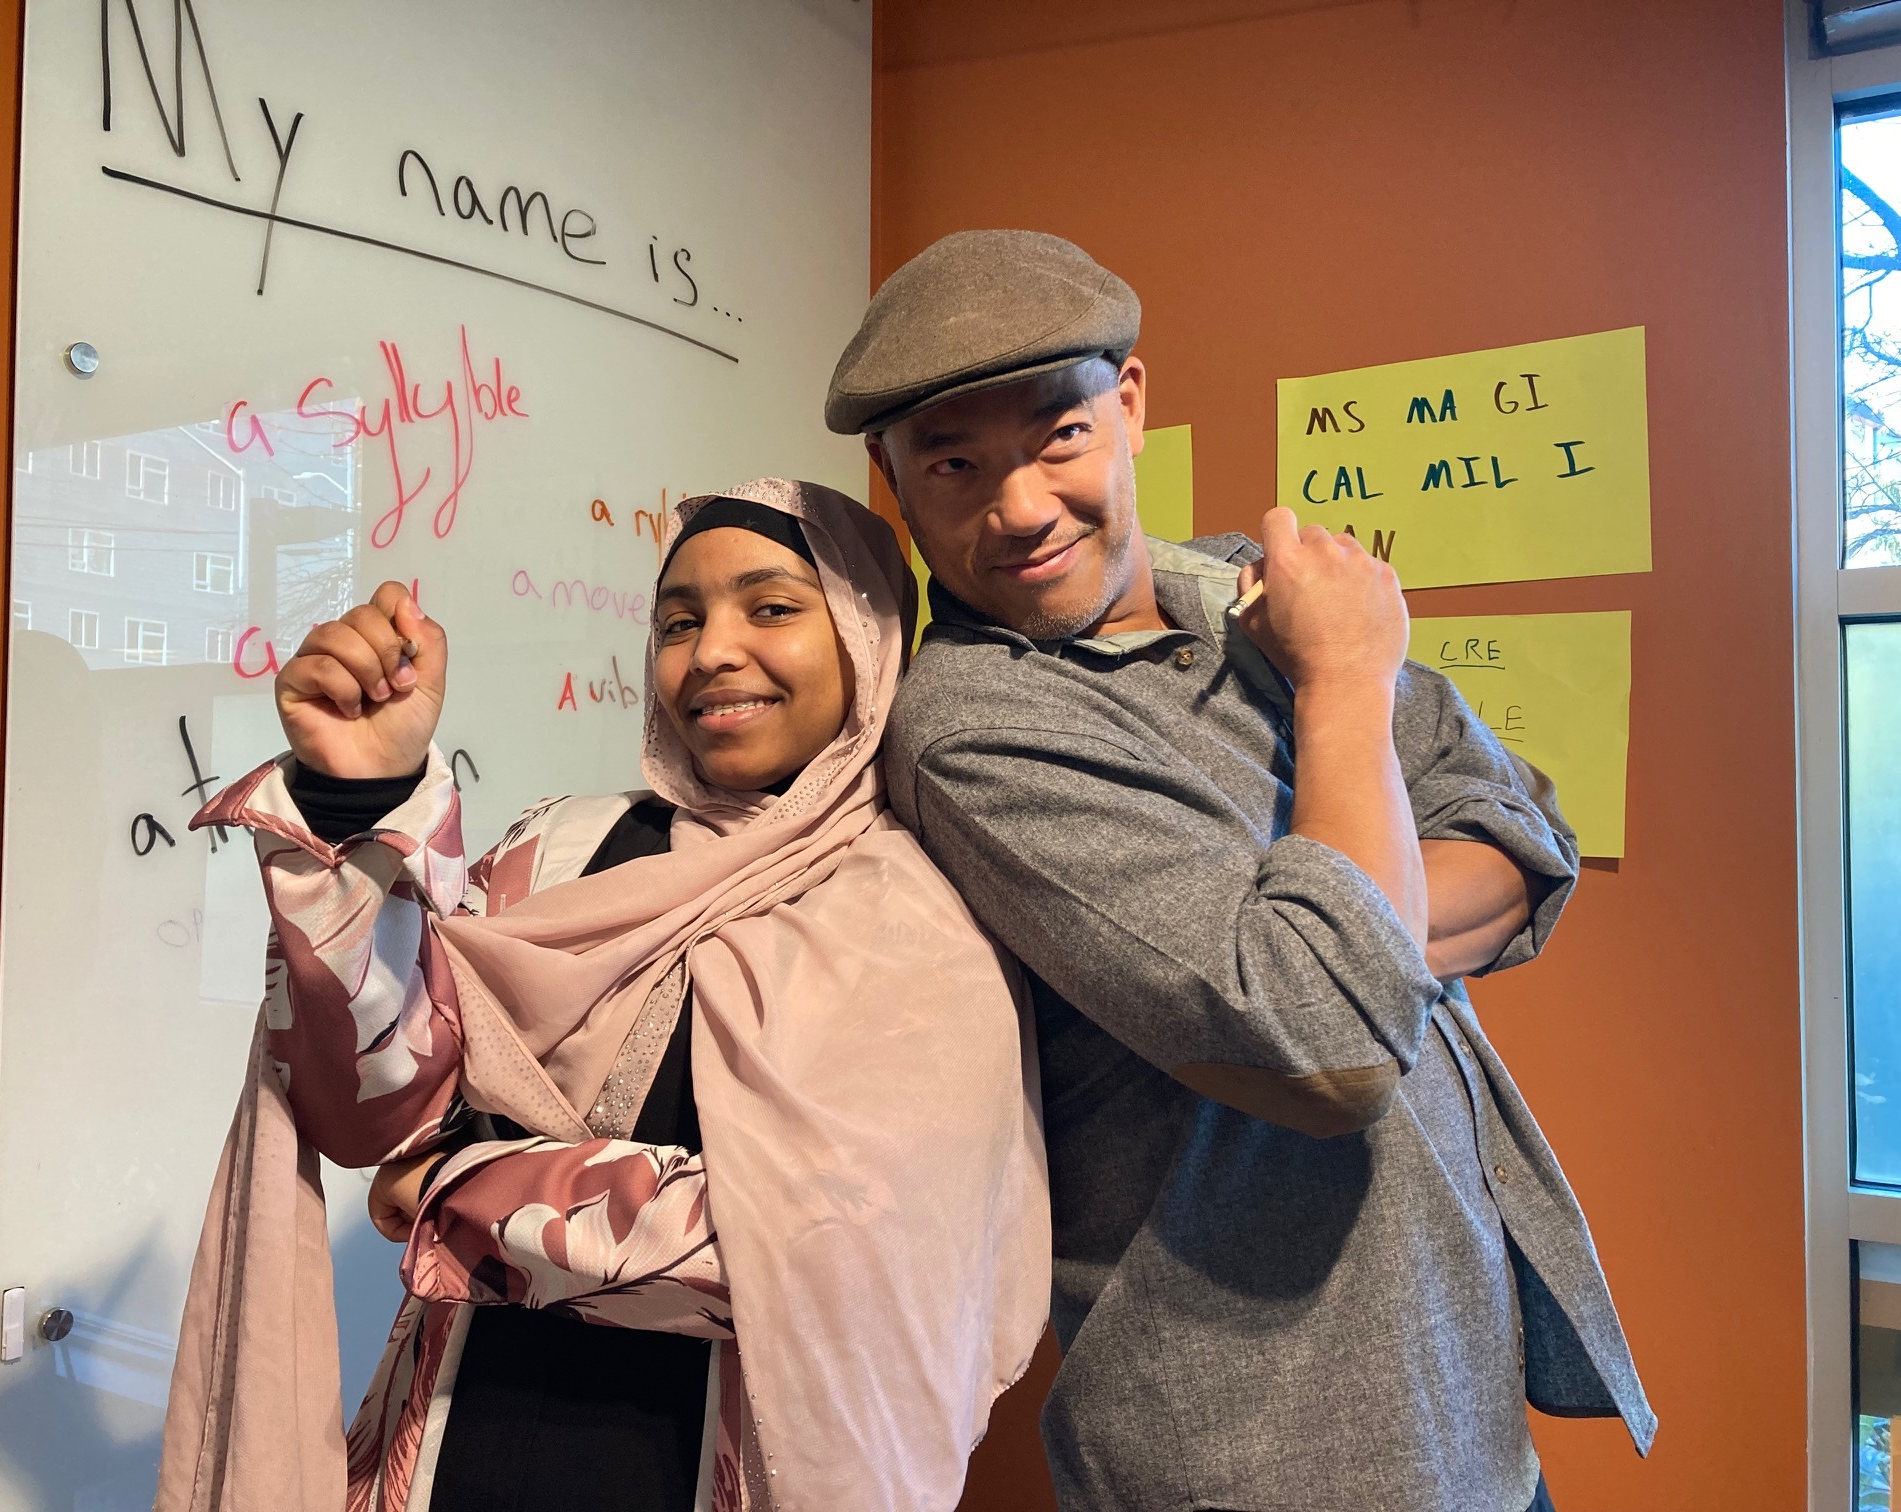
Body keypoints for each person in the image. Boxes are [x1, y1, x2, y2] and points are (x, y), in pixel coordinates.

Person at [826, 230, 1655, 1512]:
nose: (1022, 507)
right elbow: (1320, 1047)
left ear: (1133, 404)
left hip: (1466, 1416)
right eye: (953, 465)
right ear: (896, 487)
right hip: (1251, 1453)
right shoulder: (979, 723)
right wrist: (1346, 684)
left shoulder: (1241, 589)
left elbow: (1525, 834)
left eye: (1058, 436)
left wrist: (1328, 935)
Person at [154, 479, 1049, 1512]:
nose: (711, 650)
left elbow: (831, 1256)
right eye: (679, 619)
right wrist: (360, 802)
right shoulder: (563, 851)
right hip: (451, 1450)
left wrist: (465, 1194)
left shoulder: (925, 927)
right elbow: (378, 1108)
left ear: (869, 637)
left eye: (770, 607)